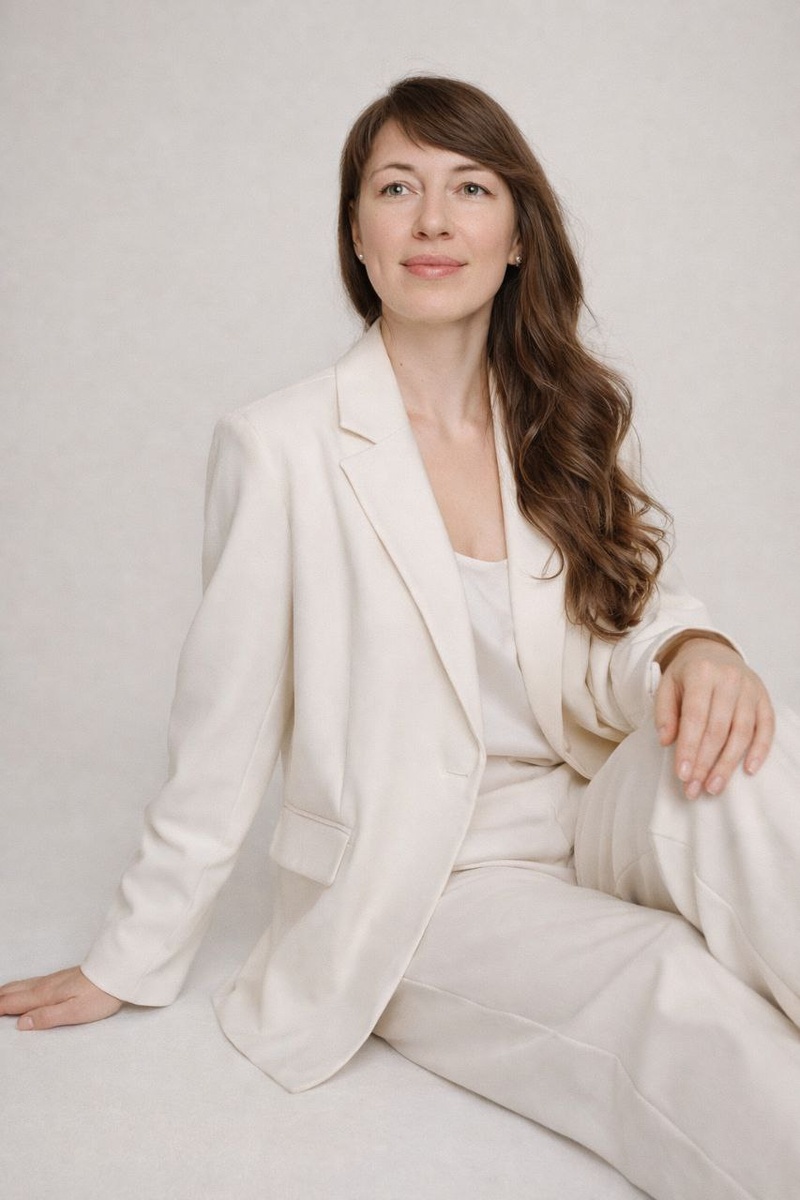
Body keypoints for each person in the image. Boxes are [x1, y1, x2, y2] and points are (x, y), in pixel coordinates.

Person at [1, 75, 798, 1200]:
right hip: (428, 879)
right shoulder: (278, 447)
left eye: (469, 188)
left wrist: (692, 651)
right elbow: (223, 732)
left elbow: (619, 620)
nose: (432, 220)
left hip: (587, 809)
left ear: (515, 236)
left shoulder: (555, 417)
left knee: (759, 761)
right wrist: (130, 957)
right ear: (357, 235)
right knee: (669, 988)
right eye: (395, 189)